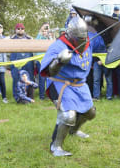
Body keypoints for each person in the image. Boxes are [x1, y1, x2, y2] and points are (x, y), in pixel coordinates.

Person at [40, 16, 96, 157]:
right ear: (70, 35)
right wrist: (59, 61)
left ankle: (74, 130)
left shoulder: (89, 42)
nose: (81, 41)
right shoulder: (58, 46)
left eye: (83, 37)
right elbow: (47, 71)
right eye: (78, 38)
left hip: (80, 84)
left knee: (90, 112)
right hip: (60, 82)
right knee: (68, 115)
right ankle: (56, 147)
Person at [84, 15, 112, 100]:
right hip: (95, 60)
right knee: (95, 79)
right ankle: (96, 96)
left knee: (107, 79)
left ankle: (108, 96)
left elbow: (101, 47)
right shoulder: (90, 35)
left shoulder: (97, 35)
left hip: (102, 59)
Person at [10, 23, 34, 101]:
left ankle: (30, 97)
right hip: (16, 62)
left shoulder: (29, 38)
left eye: (22, 29)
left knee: (29, 78)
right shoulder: (11, 39)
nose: (20, 30)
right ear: (15, 30)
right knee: (16, 79)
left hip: (28, 62)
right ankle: (17, 97)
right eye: (18, 28)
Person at [35, 23, 51, 100]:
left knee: (49, 79)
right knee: (42, 79)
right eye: (44, 30)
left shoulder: (49, 38)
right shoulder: (39, 37)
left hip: (48, 61)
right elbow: (36, 41)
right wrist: (41, 30)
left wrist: (49, 35)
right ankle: (41, 96)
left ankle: (48, 95)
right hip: (40, 61)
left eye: (46, 30)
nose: (45, 32)